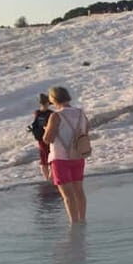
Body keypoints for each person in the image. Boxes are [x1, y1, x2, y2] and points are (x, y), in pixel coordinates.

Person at [43, 87, 89, 224]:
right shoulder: (80, 113)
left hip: (60, 158)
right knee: (79, 192)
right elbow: (85, 130)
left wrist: (47, 129)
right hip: (78, 156)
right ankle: (82, 220)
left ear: (53, 99)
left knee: (68, 195)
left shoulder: (56, 116)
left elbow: (48, 139)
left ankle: (74, 224)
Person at [28, 93, 54, 180]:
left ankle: (48, 178)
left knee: (46, 157)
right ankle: (49, 178)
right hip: (45, 138)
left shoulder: (38, 113)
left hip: (44, 138)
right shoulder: (49, 113)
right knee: (48, 157)